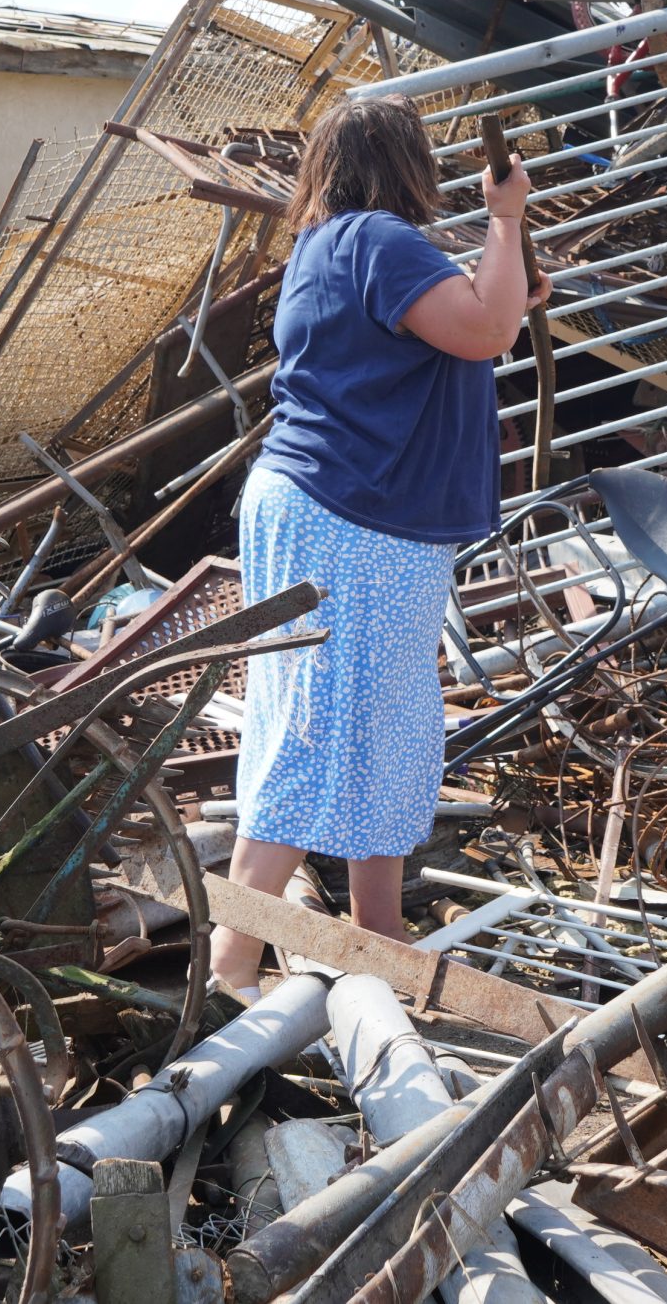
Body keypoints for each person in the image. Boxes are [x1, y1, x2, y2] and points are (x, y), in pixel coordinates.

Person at [208, 96, 548, 996]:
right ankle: (233, 967)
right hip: (349, 517)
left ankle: (380, 943)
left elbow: (472, 322)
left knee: (379, 728)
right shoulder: (381, 242)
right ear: (408, 165)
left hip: (332, 509)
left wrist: (506, 265)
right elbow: (487, 330)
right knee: (319, 731)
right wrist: (506, 221)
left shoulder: (329, 248)